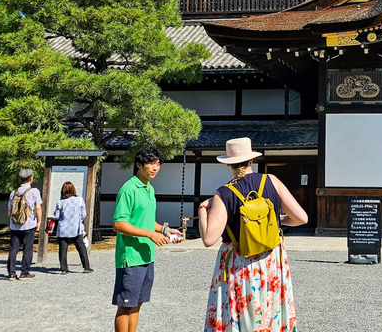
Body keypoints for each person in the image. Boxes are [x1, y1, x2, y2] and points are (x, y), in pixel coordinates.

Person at [198, 137, 308, 332]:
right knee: (270, 310)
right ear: (251, 161)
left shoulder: (224, 194)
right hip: (271, 260)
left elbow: (208, 238)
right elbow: (301, 218)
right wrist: (276, 220)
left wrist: (202, 209)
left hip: (240, 262)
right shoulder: (271, 181)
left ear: (228, 164)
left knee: (243, 313)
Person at [112, 146, 182, 332]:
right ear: (139, 164)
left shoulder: (149, 188)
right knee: (125, 306)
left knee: (137, 304)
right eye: (150, 163)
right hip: (131, 257)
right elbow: (119, 224)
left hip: (146, 256)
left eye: (157, 164)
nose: (155, 168)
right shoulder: (128, 189)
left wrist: (165, 230)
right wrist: (150, 234)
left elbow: (147, 221)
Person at [7, 168, 42, 281]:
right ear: (31, 179)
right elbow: (38, 208)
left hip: (15, 225)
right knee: (28, 248)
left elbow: (9, 210)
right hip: (28, 224)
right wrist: (39, 221)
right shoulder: (34, 191)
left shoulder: (14, 192)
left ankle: (11, 273)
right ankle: (24, 272)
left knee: (13, 249)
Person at [53, 181, 92, 274]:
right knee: (81, 247)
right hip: (76, 228)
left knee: (63, 249)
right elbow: (83, 214)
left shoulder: (60, 203)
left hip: (63, 228)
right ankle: (86, 267)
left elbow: (56, 216)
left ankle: (63, 268)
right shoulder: (79, 200)